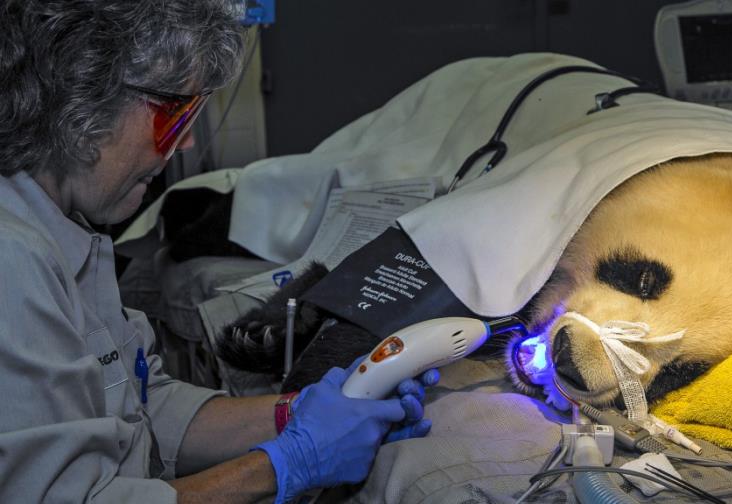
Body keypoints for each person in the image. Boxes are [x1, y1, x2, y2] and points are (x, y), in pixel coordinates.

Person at [0, 1, 438, 503]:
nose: (186, 140)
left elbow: (145, 410)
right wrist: (287, 464)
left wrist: (299, 413)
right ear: (78, 100)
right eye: (174, 111)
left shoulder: (65, 226)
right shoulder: (11, 260)